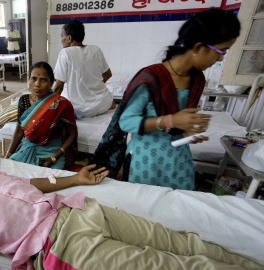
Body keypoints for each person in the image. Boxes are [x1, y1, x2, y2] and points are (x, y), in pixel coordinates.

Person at [0, 146, 264, 270]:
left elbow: (27, 185)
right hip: (59, 245)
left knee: (182, 241)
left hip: (79, 209)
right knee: (168, 265)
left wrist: (73, 180)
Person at [89, 9, 241, 190]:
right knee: (143, 211)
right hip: (145, 160)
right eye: (221, 51)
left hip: (179, 158)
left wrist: (188, 132)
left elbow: (179, 125)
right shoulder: (150, 78)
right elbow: (126, 122)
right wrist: (171, 120)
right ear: (199, 48)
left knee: (177, 208)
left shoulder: (197, 79)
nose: (221, 58)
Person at [5, 62, 77, 169]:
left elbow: (72, 135)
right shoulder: (24, 100)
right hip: (27, 148)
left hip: (52, 152)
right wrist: (8, 155)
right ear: (29, 80)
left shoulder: (61, 104)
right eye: (33, 79)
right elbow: (20, 131)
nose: (37, 84)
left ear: (51, 83)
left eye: (43, 80)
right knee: (9, 173)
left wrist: (54, 157)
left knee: (50, 181)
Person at [52, 19, 116, 119]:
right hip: (103, 103)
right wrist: (94, 86)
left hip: (82, 109)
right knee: (111, 103)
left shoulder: (65, 53)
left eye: (62, 36)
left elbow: (59, 87)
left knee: (64, 96)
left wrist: (48, 107)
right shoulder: (95, 49)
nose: (61, 40)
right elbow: (108, 74)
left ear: (69, 38)